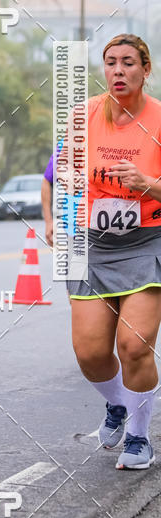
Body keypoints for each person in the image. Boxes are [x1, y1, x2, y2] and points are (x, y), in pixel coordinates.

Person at [67, 34, 161, 470]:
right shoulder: (82, 116)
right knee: (89, 353)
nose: (118, 71)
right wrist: (59, 223)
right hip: (92, 243)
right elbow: (64, 174)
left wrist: (148, 185)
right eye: (110, 63)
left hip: (147, 241)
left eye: (128, 63)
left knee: (134, 346)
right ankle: (119, 405)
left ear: (145, 69)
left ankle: (140, 437)